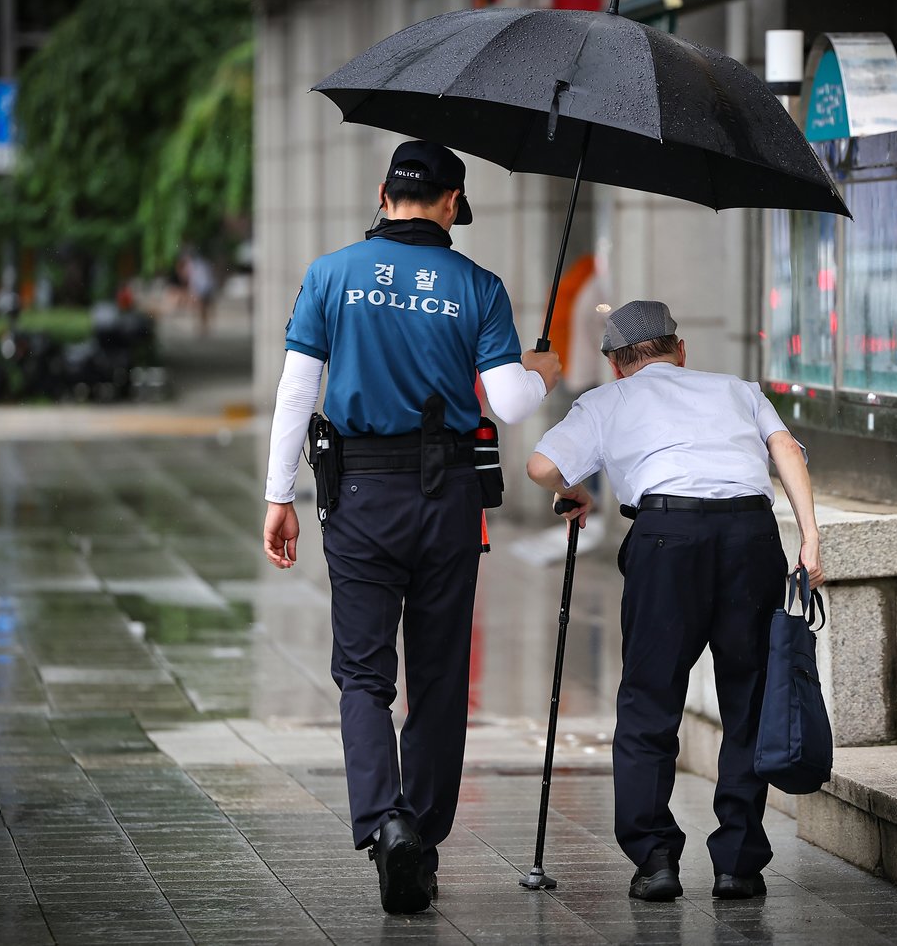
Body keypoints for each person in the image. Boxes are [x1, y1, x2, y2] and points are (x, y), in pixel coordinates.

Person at [262, 140, 562, 915]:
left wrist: (277, 496)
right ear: (453, 203)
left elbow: (297, 393)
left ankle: (384, 820)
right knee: (437, 677)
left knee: (362, 674)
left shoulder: (331, 275)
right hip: (448, 497)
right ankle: (420, 837)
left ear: (382, 193)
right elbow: (511, 404)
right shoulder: (478, 286)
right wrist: (542, 372)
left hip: (358, 495)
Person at [526, 300, 823, 903]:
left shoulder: (608, 400)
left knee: (649, 699)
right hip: (751, 535)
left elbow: (540, 465)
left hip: (665, 539)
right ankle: (737, 862)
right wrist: (810, 535)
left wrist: (574, 490)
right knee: (749, 697)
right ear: (679, 349)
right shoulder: (737, 389)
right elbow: (787, 450)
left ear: (614, 364)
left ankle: (654, 857)